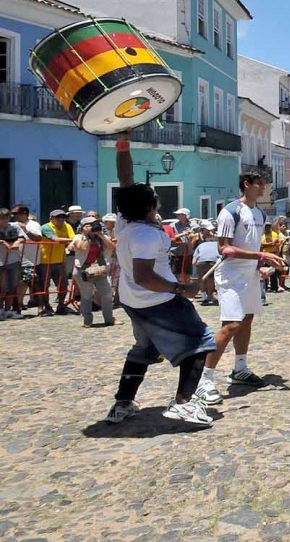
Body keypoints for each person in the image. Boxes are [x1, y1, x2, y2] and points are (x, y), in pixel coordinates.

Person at [106, 133, 216, 425]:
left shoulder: (125, 221)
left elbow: (125, 177)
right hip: (158, 300)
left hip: (134, 301)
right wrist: (180, 288)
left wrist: (123, 144)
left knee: (144, 348)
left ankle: (122, 404)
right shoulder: (144, 234)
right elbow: (144, 276)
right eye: (155, 199)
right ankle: (184, 404)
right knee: (200, 343)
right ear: (150, 207)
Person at [194, 172, 285, 407]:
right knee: (231, 324)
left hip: (250, 275)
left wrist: (259, 267)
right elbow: (224, 248)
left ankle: (240, 369)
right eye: (260, 184)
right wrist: (261, 255)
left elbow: (252, 244)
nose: (264, 188)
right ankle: (204, 380)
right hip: (231, 276)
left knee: (247, 321)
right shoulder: (230, 211)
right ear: (247, 184)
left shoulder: (260, 213)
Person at [70, 214, 118, 327]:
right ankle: (87, 320)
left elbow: (113, 248)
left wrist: (100, 235)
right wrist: (86, 235)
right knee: (87, 296)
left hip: (99, 269)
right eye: (89, 225)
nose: (93, 227)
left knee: (107, 293)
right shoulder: (78, 237)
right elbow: (83, 247)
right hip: (83, 270)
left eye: (94, 225)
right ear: (82, 227)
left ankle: (109, 319)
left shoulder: (101, 237)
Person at [37, 209, 74, 315]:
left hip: (60, 260)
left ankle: (61, 306)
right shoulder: (45, 227)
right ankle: (47, 306)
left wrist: (72, 241)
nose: (61, 219)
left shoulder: (67, 226)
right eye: (58, 217)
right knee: (44, 286)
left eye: (63, 217)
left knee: (63, 285)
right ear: (51, 219)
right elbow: (54, 239)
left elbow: (72, 237)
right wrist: (72, 241)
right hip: (45, 261)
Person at [0, 207, 27, 319]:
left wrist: (17, 242)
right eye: (2, 218)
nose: (5, 221)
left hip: (14, 260)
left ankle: (8, 310)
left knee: (12, 286)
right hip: (1, 261)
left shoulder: (14, 227)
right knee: (2, 286)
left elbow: (22, 237)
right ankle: (0, 310)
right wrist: (3, 242)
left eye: (6, 218)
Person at [192, 223, 220, 305]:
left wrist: (194, 265)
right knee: (211, 279)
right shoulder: (217, 245)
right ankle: (210, 296)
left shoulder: (201, 245)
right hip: (212, 262)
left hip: (201, 262)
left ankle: (204, 297)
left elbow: (194, 259)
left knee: (202, 279)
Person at [168, 208, 193, 282]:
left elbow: (194, 236)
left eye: (180, 214)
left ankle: (186, 288)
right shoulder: (172, 225)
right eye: (177, 214)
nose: (177, 216)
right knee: (175, 272)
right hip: (176, 253)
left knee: (187, 273)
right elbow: (171, 237)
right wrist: (183, 234)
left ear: (185, 216)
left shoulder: (194, 225)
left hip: (188, 253)